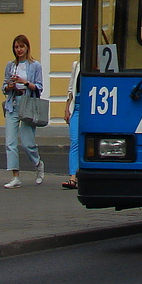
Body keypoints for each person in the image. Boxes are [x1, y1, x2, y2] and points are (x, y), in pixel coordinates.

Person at [2, 34, 44, 189]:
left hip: (28, 104)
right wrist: (10, 86)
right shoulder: (10, 65)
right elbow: (3, 88)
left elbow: (39, 87)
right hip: (13, 103)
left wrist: (25, 82)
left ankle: (38, 164)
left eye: (21, 46)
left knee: (27, 143)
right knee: (10, 142)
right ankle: (15, 176)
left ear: (27, 47)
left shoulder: (35, 66)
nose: (19, 50)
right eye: (16, 47)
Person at [62, 58, 81, 189]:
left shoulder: (102, 64)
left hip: (92, 107)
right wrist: (67, 108)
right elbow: (71, 89)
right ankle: (73, 177)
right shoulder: (77, 65)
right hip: (77, 107)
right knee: (75, 140)